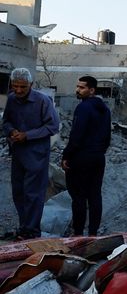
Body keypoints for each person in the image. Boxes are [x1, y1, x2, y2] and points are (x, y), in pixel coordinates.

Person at [2, 68, 60, 240]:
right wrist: (11, 131)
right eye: (15, 86)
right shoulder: (12, 99)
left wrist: (27, 135)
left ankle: (32, 231)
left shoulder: (43, 101)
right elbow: (6, 121)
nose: (18, 90)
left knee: (33, 193)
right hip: (18, 153)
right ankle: (24, 227)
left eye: (23, 87)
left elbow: (53, 127)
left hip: (37, 154)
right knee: (18, 192)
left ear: (31, 85)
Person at [62, 76, 111, 236]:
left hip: (81, 157)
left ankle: (78, 233)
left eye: (82, 87)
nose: (77, 90)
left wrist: (66, 155)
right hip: (98, 157)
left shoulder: (83, 108)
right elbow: (107, 137)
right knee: (95, 195)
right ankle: (93, 233)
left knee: (79, 197)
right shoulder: (104, 109)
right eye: (77, 86)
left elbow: (77, 135)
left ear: (92, 90)